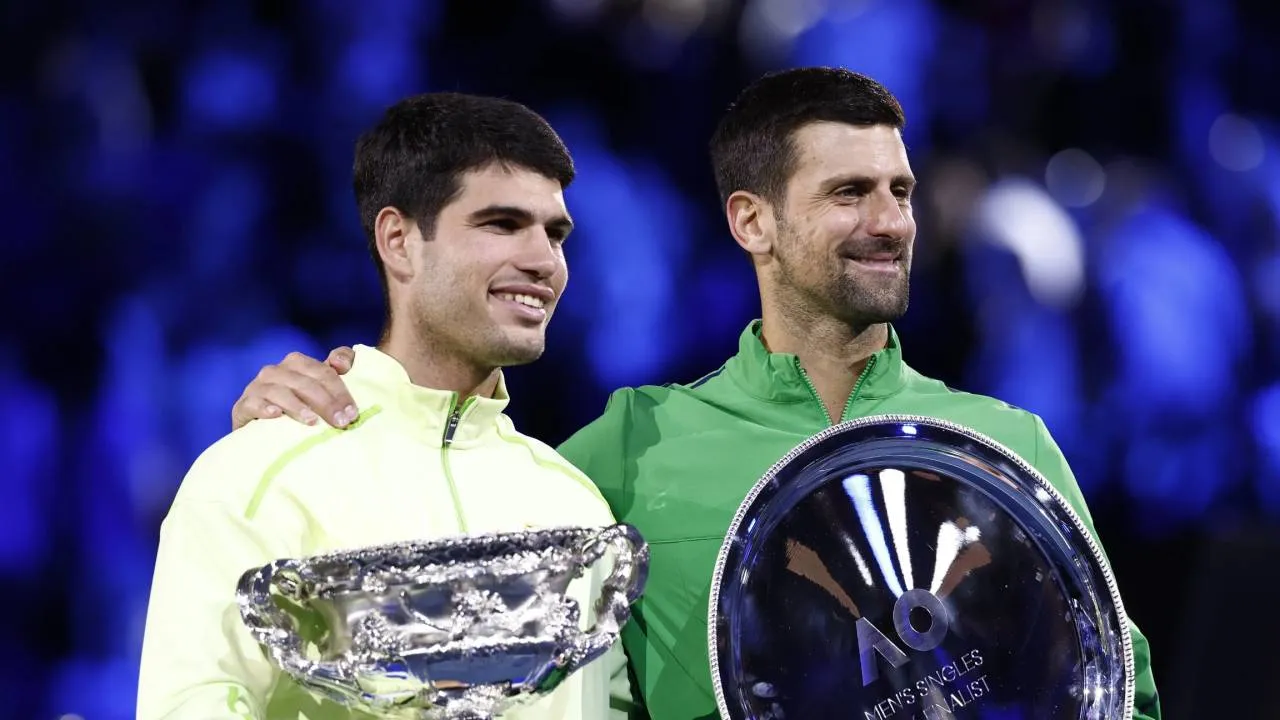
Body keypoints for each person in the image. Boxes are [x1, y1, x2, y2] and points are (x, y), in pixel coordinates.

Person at [228, 68, 1161, 719]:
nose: (890, 222)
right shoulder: (631, 447)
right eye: (849, 192)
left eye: (901, 190)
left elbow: (1116, 685)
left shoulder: (1003, 446)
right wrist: (343, 411)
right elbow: (458, 548)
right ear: (751, 221)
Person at [137, 92, 637, 720]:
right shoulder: (262, 471)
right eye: (502, 224)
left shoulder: (574, 503)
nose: (544, 261)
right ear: (399, 241)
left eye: (554, 233)